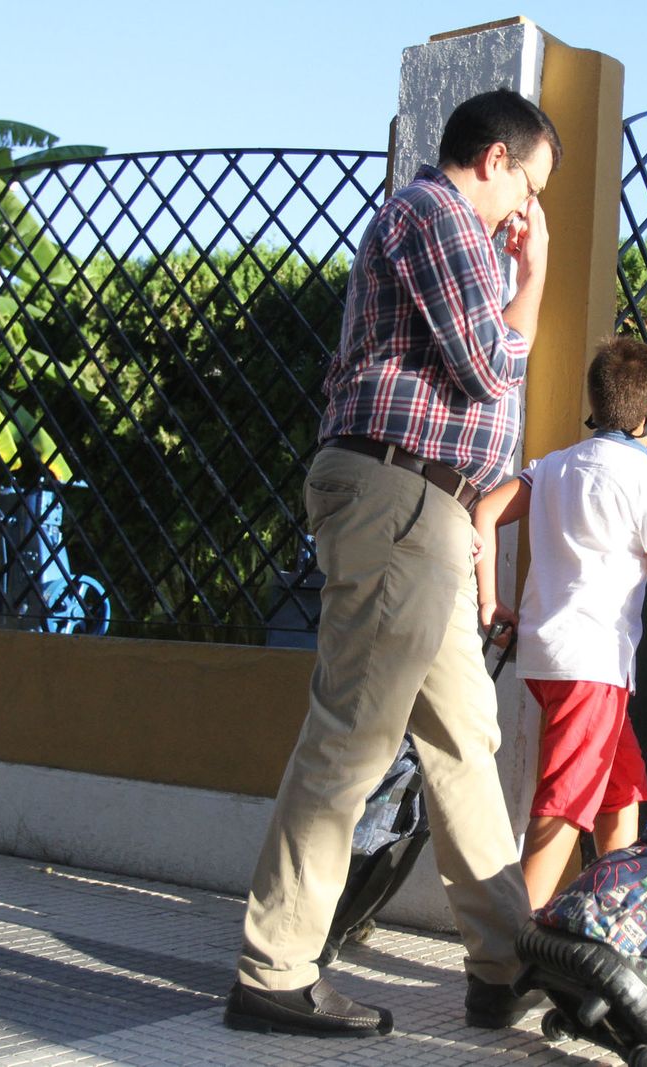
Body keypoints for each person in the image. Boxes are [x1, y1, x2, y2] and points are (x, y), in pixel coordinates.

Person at [224, 89, 561, 1039]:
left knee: (463, 738)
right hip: (398, 494)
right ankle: (274, 969)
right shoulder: (435, 212)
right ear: (495, 160)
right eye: (530, 187)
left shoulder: (448, 229)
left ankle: (504, 963)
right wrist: (532, 273)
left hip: (427, 509)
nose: (527, 210)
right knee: (356, 733)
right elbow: (489, 367)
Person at [472, 337, 647, 909]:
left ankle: (616, 917)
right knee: (565, 805)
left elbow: (485, 512)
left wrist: (489, 602)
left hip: (546, 659)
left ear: (595, 401)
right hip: (594, 664)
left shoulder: (554, 467)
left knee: (621, 791)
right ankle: (508, 945)